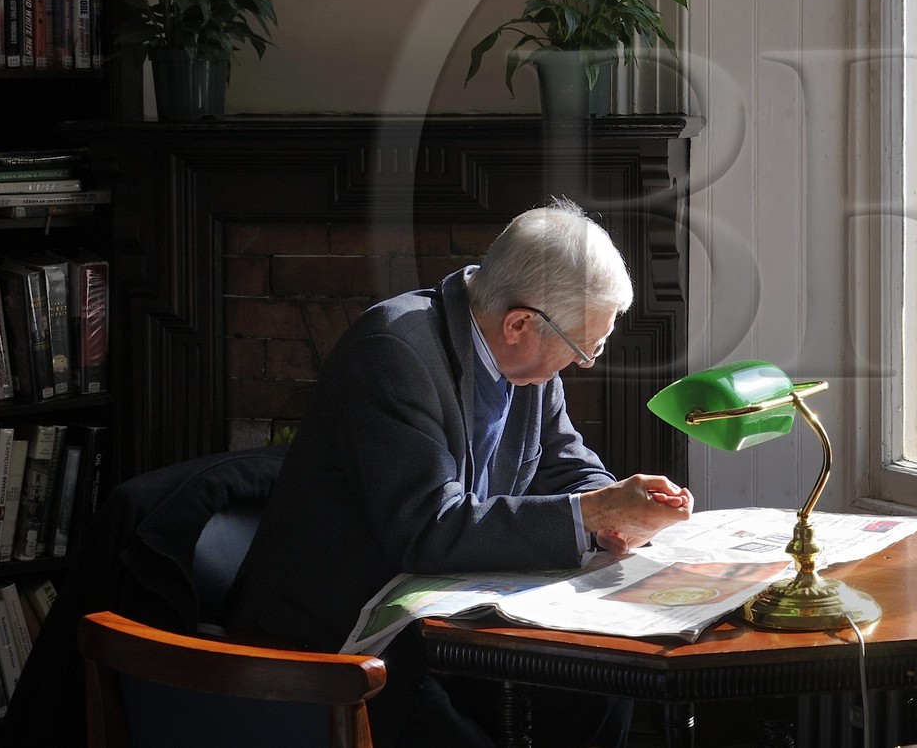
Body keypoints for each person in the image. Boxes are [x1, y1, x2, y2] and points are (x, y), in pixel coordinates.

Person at [228, 198, 693, 748]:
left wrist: (616, 509)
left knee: (598, 689)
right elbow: (427, 527)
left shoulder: (530, 357)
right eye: (581, 349)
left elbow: (565, 463)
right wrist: (591, 513)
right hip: (344, 635)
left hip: (440, 619)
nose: (579, 363)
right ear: (520, 323)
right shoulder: (394, 352)